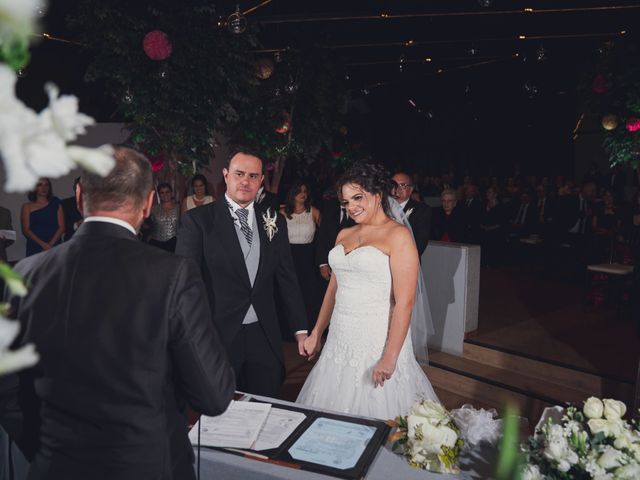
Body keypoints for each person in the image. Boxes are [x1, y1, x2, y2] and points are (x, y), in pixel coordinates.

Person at [2, 146, 235, 479]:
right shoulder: (173, 275)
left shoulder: (26, 273)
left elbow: (8, 389)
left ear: (80, 194)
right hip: (147, 467)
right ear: (149, 202)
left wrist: (47, 448)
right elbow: (213, 395)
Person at [296, 163, 438, 420]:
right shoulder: (343, 234)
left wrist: (390, 357)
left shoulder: (399, 236)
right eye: (346, 201)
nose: (351, 207)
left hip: (376, 339)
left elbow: (405, 302)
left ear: (378, 194)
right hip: (340, 336)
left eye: (358, 197)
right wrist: (317, 332)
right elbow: (333, 290)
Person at [176, 147, 308, 398]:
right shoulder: (197, 221)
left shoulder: (274, 221)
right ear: (225, 175)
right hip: (219, 334)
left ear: (261, 181)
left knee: (266, 404)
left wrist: (300, 330)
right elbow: (186, 285)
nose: (245, 181)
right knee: (222, 414)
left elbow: (287, 279)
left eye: (253, 176)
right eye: (239, 174)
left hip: (264, 334)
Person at [280, 181, 322, 330]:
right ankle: (290, 329)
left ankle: (310, 327)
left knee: (308, 293)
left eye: (305, 191)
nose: (303, 194)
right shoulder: (283, 213)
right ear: (292, 193)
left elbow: (324, 237)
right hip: (288, 256)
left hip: (308, 258)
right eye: (299, 191)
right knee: (290, 292)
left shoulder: (314, 211)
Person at [20, 178, 64, 257]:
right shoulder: (27, 206)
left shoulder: (56, 202)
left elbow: (62, 227)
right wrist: (43, 245)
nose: (44, 188)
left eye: (46, 185)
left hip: (55, 244)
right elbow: (26, 230)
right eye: (39, 185)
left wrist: (50, 245)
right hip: (35, 245)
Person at [391, 172, 431, 256]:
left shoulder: (421, 210)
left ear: (411, 190)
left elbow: (419, 244)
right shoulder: (382, 208)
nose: (397, 189)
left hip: (406, 259)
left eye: (402, 185)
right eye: (394, 185)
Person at [148, 182, 180, 252]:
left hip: (175, 243)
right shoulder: (153, 208)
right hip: (156, 243)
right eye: (162, 193)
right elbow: (149, 224)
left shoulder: (179, 208)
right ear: (159, 195)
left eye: (167, 192)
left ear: (171, 193)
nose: (165, 195)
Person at [60, 177, 83, 241]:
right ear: (74, 187)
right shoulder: (66, 203)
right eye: (78, 186)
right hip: (71, 243)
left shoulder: (96, 204)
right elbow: (59, 225)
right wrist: (76, 225)